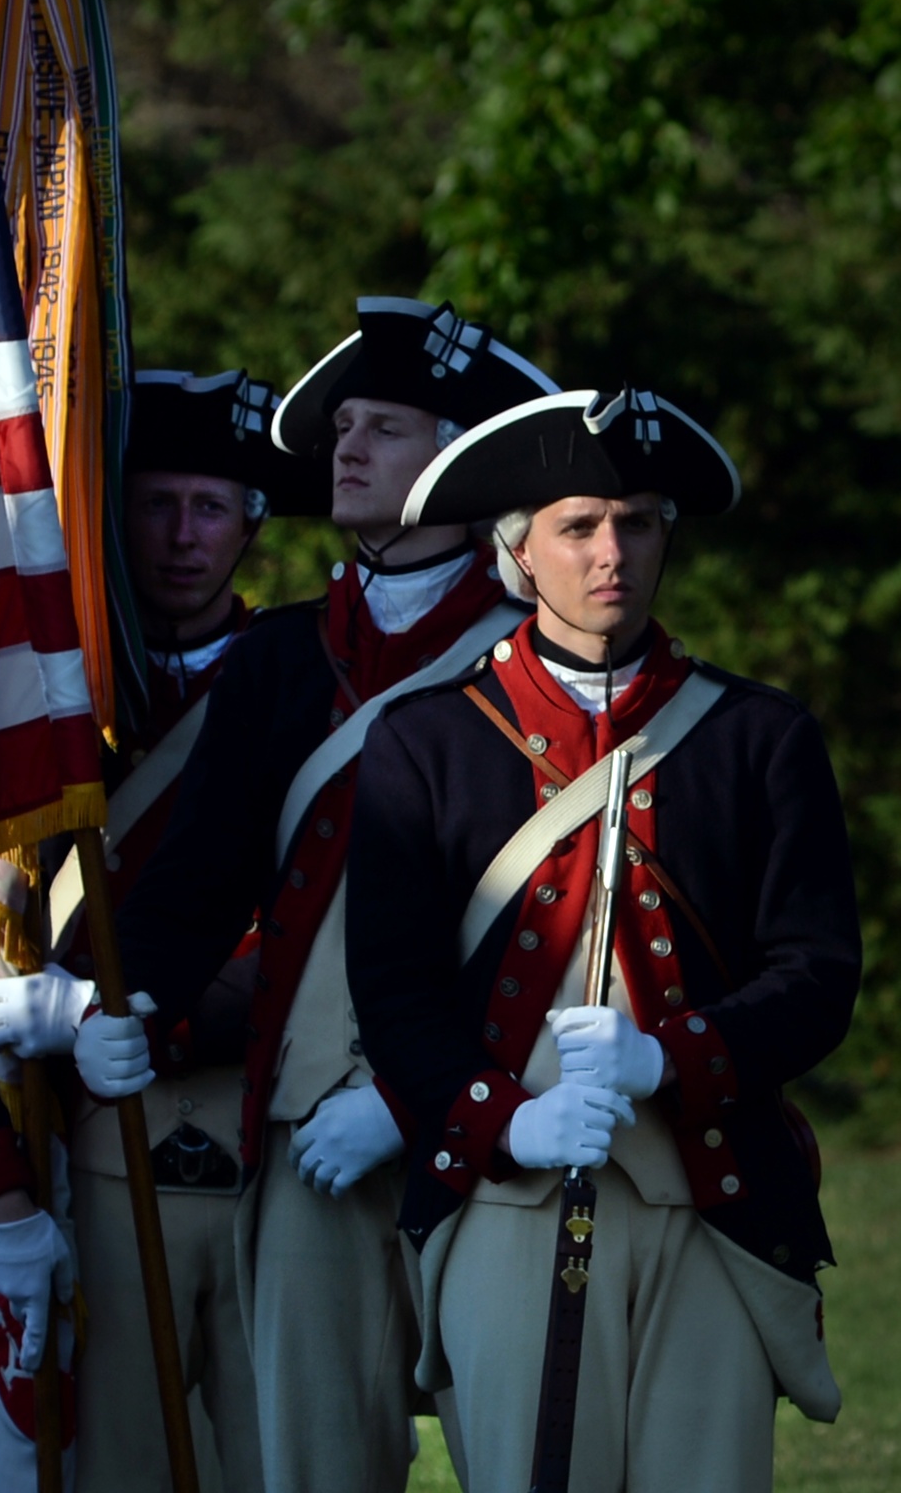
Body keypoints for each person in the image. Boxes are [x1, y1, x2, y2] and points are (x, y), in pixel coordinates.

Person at [344, 387, 862, 1493]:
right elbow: (392, 992)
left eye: (636, 521)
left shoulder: (758, 735)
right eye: (577, 525)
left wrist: (672, 1057)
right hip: (507, 1192)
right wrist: (508, 1120)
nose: (610, 551)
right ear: (516, 552)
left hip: (710, 1199)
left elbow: (817, 975)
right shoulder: (424, 742)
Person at [90, 297, 559, 1493]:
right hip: (304, 1130)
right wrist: (127, 999)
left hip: (491, 1118)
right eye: (344, 424)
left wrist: (416, 1100)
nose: (346, 448)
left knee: (531, 1457)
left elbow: (546, 929)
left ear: (461, 461)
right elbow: (202, 872)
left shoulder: (534, 664)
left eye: (387, 427)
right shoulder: (285, 657)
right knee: (310, 1468)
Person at [0, 367, 321, 1493]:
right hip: (58, 1129)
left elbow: (311, 909)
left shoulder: (301, 683)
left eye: (211, 506)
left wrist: (145, 1013)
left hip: (242, 1110)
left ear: (251, 523)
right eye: (155, 502)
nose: (181, 535)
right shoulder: (38, 699)